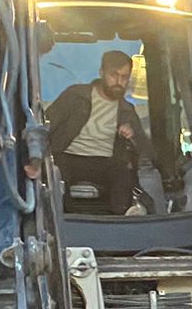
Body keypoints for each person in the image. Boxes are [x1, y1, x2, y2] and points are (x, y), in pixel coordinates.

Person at [50, 49, 146, 215]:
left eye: (124, 77)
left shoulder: (127, 110)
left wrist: (132, 135)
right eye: (113, 75)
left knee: (124, 173)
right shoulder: (75, 96)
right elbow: (47, 126)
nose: (119, 82)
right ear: (102, 73)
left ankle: (122, 219)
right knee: (55, 173)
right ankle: (61, 218)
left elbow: (144, 147)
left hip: (105, 161)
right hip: (69, 156)